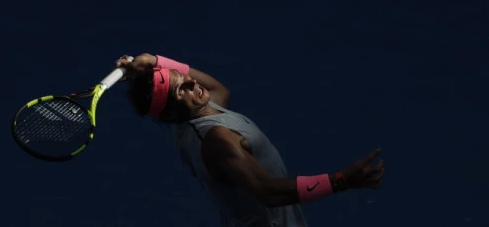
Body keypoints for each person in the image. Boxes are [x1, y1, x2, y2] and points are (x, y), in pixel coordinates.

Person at [115, 53, 384, 226]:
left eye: (185, 79)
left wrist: (155, 62)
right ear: (171, 112)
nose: (193, 83)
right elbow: (269, 192)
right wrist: (342, 180)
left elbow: (219, 89)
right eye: (182, 88)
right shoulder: (217, 140)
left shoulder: (193, 111)